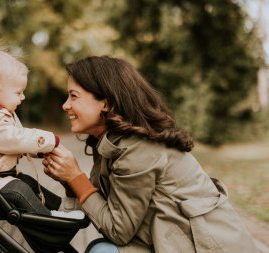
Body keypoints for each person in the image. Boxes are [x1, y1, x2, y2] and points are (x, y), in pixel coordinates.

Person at [42, 55, 260, 252]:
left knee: (103, 252)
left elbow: (118, 230)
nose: (65, 105)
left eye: (74, 96)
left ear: (106, 103)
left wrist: (75, 177)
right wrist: (67, 178)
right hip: (166, 242)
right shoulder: (112, 142)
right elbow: (98, 202)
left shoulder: (137, 150)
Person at [0, 49, 84, 219]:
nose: (23, 97)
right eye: (18, 92)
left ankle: (63, 207)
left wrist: (39, 150)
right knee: (20, 190)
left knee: (28, 182)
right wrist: (50, 141)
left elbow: (14, 140)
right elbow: (16, 138)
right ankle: (48, 220)